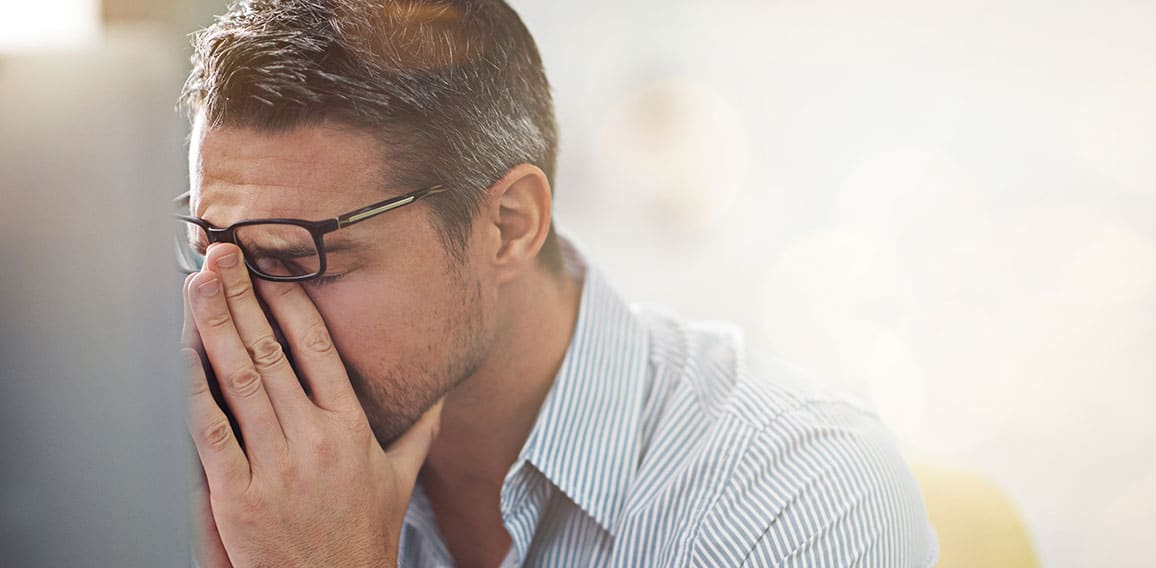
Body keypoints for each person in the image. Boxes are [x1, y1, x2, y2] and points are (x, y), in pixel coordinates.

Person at [176, 1, 939, 566]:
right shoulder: (255, 492)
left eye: (297, 257)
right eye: (209, 247)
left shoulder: (798, 494)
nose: (241, 322)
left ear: (508, 225)